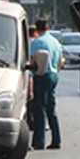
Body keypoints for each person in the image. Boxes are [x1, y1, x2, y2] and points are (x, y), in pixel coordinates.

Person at [29, 20, 64, 150]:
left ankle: (39, 142)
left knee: (40, 109)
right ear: (48, 28)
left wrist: (30, 78)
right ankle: (56, 140)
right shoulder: (56, 42)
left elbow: (32, 62)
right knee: (51, 108)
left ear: (37, 30)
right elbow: (61, 61)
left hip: (42, 76)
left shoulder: (37, 42)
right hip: (54, 75)